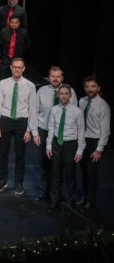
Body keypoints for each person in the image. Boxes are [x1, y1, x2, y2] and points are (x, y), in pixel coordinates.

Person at [0, 58, 39, 195]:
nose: (17, 69)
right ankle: (3, 180)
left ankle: (19, 183)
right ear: (11, 68)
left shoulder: (30, 85)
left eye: (20, 67)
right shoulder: (3, 83)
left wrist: (29, 130)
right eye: (15, 67)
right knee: (3, 153)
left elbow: (32, 109)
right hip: (5, 120)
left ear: (24, 68)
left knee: (20, 155)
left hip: (21, 122)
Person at [35, 67, 77, 202]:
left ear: (62, 78)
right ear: (49, 77)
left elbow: (74, 113)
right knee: (45, 164)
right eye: (53, 76)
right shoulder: (41, 91)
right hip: (44, 130)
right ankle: (44, 193)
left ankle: (60, 195)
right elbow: (34, 112)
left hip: (61, 134)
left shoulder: (69, 92)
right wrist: (35, 132)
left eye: (58, 76)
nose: (55, 79)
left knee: (61, 166)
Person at [45, 85, 85, 213]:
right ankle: (54, 202)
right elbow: (51, 129)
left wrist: (79, 151)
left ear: (70, 95)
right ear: (58, 95)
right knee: (55, 176)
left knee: (70, 176)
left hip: (70, 145)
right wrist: (49, 145)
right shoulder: (54, 110)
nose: (63, 96)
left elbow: (81, 132)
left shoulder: (77, 111)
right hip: (57, 144)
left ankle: (69, 204)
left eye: (66, 93)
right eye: (61, 93)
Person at [78, 75, 111, 210]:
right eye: (87, 87)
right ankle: (85, 197)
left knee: (91, 173)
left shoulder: (103, 106)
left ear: (98, 88)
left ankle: (91, 201)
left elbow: (105, 130)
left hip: (94, 142)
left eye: (93, 86)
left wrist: (99, 149)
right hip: (83, 141)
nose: (90, 89)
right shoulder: (82, 101)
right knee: (83, 171)